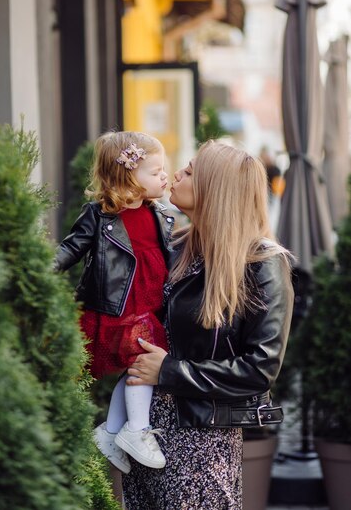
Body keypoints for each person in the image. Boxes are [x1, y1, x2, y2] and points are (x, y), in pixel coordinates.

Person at [122, 140, 294, 510]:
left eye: (190, 170)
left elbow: (259, 368)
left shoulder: (261, 263)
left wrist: (169, 371)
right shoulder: (175, 246)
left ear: (214, 189)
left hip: (201, 438)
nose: (178, 174)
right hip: (144, 430)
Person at [54, 131, 174, 474]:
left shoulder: (161, 214)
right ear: (128, 177)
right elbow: (71, 248)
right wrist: (42, 270)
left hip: (150, 306)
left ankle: (110, 432)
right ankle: (135, 429)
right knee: (142, 360)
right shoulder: (100, 215)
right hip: (117, 308)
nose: (164, 176)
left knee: (138, 365)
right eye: (155, 171)